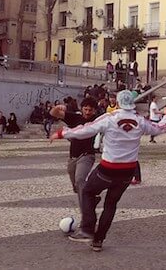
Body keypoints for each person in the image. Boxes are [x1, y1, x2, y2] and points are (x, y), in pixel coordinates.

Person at [51, 91, 166, 251]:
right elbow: (161, 128)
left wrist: (62, 133)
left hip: (108, 168)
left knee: (86, 191)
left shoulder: (109, 118)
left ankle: (87, 229)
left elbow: (85, 130)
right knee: (111, 204)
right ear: (132, 104)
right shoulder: (140, 121)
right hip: (128, 171)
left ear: (118, 103)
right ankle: (98, 241)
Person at [49, 97, 101, 233]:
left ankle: (87, 220)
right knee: (78, 188)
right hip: (72, 158)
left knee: (80, 181)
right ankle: (91, 199)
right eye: (85, 109)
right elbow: (53, 114)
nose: (88, 112)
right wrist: (58, 108)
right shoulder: (75, 118)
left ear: (94, 110)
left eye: (90, 110)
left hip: (87, 155)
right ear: (81, 108)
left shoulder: (97, 121)